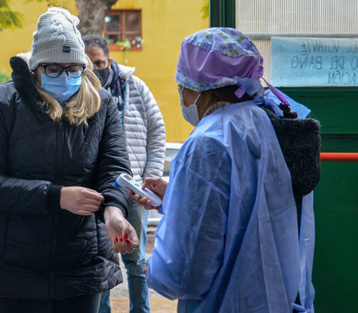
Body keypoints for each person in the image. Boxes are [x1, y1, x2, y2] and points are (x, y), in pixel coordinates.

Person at [132, 28, 319, 313]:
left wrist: (155, 269)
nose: (181, 93)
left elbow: (186, 272)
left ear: (199, 88)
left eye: (182, 84)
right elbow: (251, 208)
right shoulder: (268, 123)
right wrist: (176, 195)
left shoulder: (208, 143)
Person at [0, 7, 139, 313]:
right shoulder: (1, 103)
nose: (66, 76)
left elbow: (114, 168)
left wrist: (114, 211)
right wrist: (54, 196)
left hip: (83, 261)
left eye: (74, 69)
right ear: (34, 68)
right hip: (14, 265)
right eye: (54, 69)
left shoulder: (102, 104)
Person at [82, 35, 166, 313]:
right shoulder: (81, 92)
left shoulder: (135, 87)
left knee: (136, 258)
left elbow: (156, 130)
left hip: (135, 192)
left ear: (110, 60)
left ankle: (140, 310)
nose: (95, 69)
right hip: (99, 193)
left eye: (100, 63)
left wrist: (151, 177)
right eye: (89, 64)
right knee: (103, 261)